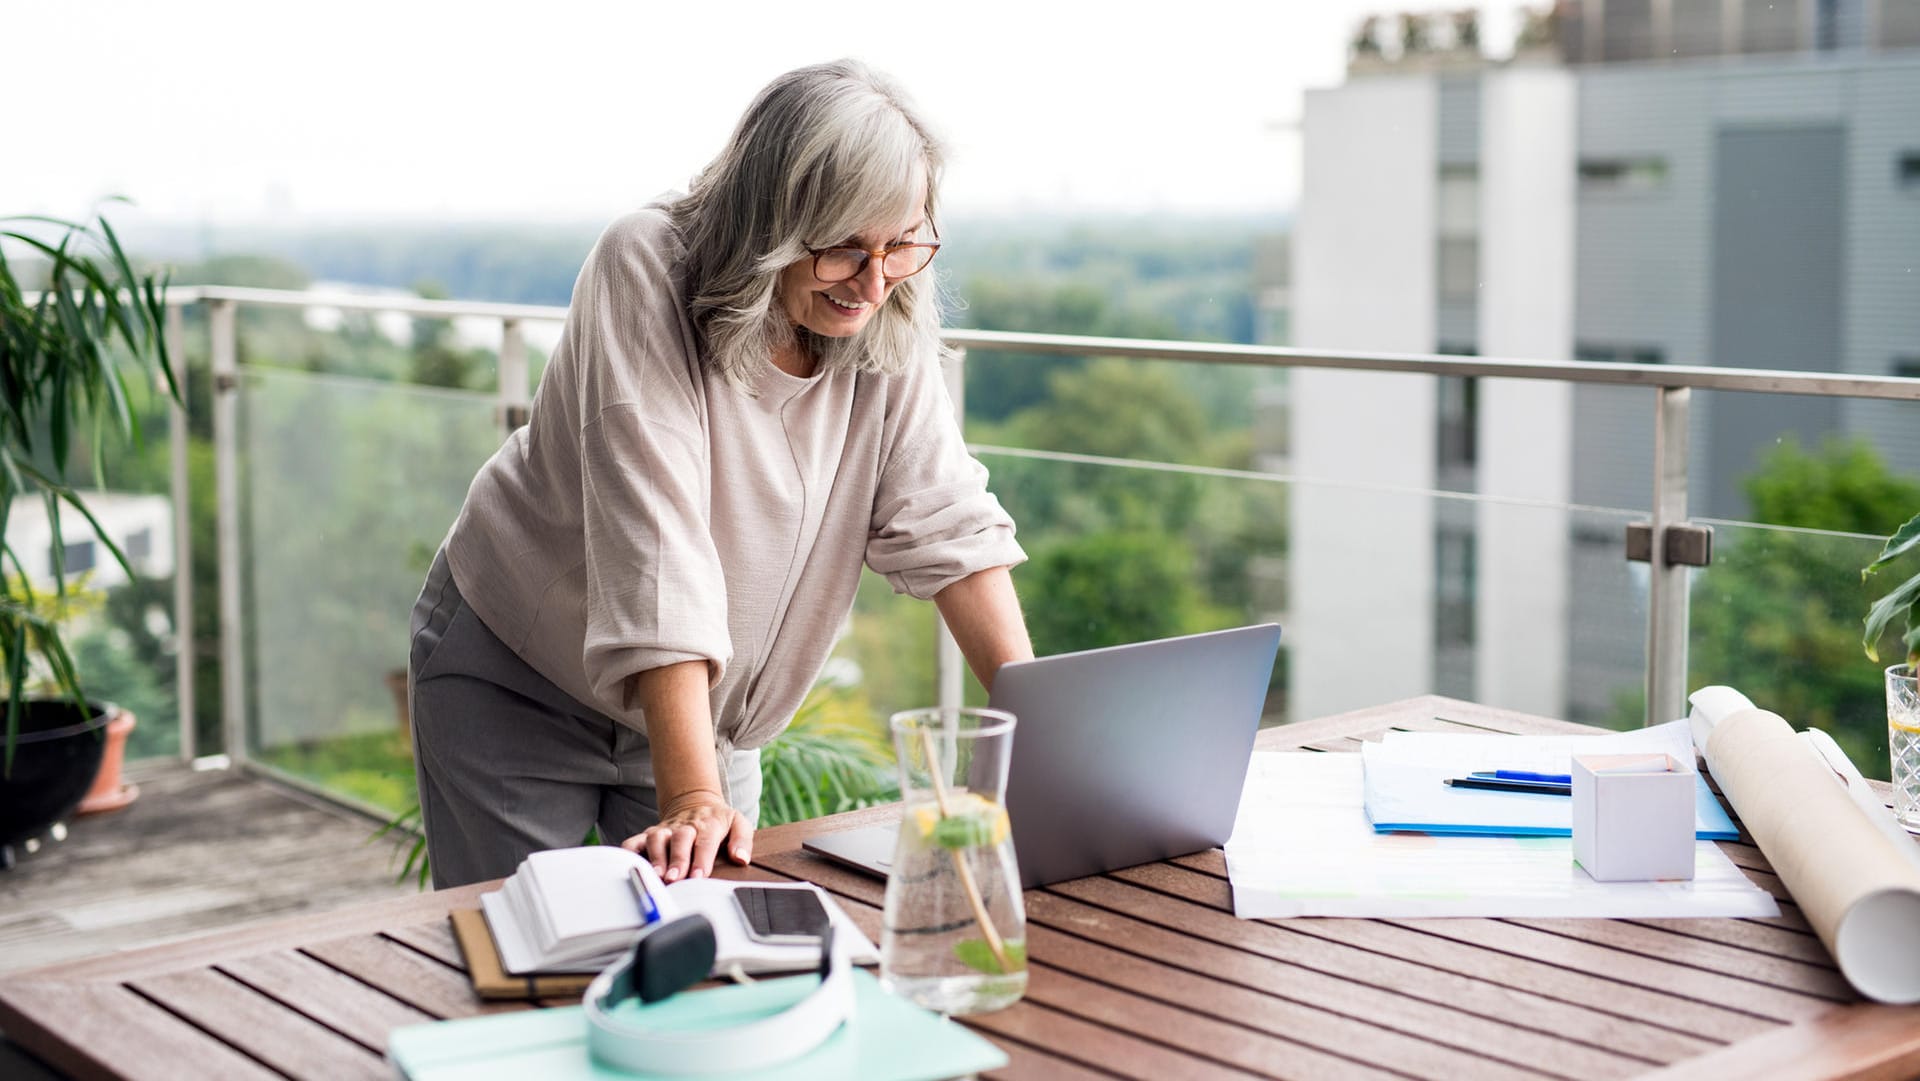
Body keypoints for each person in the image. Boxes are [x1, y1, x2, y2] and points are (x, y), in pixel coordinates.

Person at [407, 60, 1032, 890]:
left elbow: (946, 519)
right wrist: (694, 793)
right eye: (845, 248)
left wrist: (1046, 724)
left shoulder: (888, 307)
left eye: (903, 244)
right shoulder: (647, 266)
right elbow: (654, 538)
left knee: (714, 963)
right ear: (773, 220)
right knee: (539, 959)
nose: (875, 281)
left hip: (714, 723)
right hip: (521, 680)